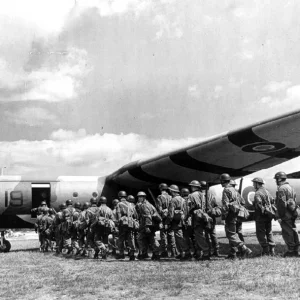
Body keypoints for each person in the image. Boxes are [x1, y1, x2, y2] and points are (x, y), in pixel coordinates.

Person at [220, 173, 252, 259]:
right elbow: (243, 202)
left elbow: (225, 205)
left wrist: (224, 216)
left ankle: (244, 248)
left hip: (231, 215)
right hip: (238, 215)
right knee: (236, 233)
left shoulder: (226, 190)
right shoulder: (235, 190)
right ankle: (233, 253)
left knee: (231, 234)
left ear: (223, 181)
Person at [274, 171, 299, 257]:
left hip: (285, 214)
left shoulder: (281, 189)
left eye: (276, 179)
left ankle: (291, 251)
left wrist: (279, 216)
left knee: (287, 232)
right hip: (292, 213)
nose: (276, 181)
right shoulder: (290, 187)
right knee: (293, 231)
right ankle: (296, 249)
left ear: (280, 179)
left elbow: (281, 203)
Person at [187, 180, 211, 260]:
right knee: (202, 235)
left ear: (194, 187)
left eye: (191, 186)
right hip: (204, 215)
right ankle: (199, 253)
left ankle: (206, 252)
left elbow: (189, 207)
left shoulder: (191, 195)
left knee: (199, 235)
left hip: (197, 216)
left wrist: (187, 216)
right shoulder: (202, 194)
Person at [166, 185, 191, 260]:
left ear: (172, 191)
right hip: (183, 220)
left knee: (179, 238)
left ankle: (186, 253)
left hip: (176, 222)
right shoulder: (183, 199)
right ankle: (182, 253)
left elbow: (171, 213)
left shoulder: (173, 200)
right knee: (182, 237)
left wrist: (168, 222)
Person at [252, 177, 276, 256]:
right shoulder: (267, 191)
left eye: (254, 183)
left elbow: (259, 205)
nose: (253, 185)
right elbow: (272, 201)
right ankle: (272, 250)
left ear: (257, 184)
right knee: (269, 232)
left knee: (260, 233)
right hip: (268, 216)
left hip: (260, 217)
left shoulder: (258, 193)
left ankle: (265, 251)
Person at [137, 191, 161, 260]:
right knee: (151, 238)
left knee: (141, 238)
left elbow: (148, 216)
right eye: (138, 197)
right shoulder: (147, 204)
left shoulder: (145, 205)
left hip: (148, 225)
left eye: (140, 197)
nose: (139, 198)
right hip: (151, 224)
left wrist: (147, 226)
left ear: (144, 197)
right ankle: (155, 254)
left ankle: (145, 253)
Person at [200, 181, 221, 257]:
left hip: (205, 217)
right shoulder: (212, 195)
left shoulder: (201, 195)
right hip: (212, 217)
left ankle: (208, 251)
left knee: (206, 235)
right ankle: (216, 250)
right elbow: (216, 205)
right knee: (213, 234)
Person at [115, 191, 138, 260]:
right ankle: (132, 254)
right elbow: (136, 215)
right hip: (131, 223)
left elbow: (119, 215)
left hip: (123, 224)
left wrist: (119, 224)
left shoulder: (119, 204)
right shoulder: (131, 204)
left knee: (121, 239)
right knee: (131, 238)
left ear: (119, 197)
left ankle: (121, 254)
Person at [156, 183, 176, 258]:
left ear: (161, 189)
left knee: (163, 235)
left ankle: (164, 252)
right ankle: (174, 252)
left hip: (163, 218)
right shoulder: (171, 197)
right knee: (171, 234)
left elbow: (159, 209)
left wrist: (160, 219)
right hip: (170, 218)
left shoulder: (159, 197)